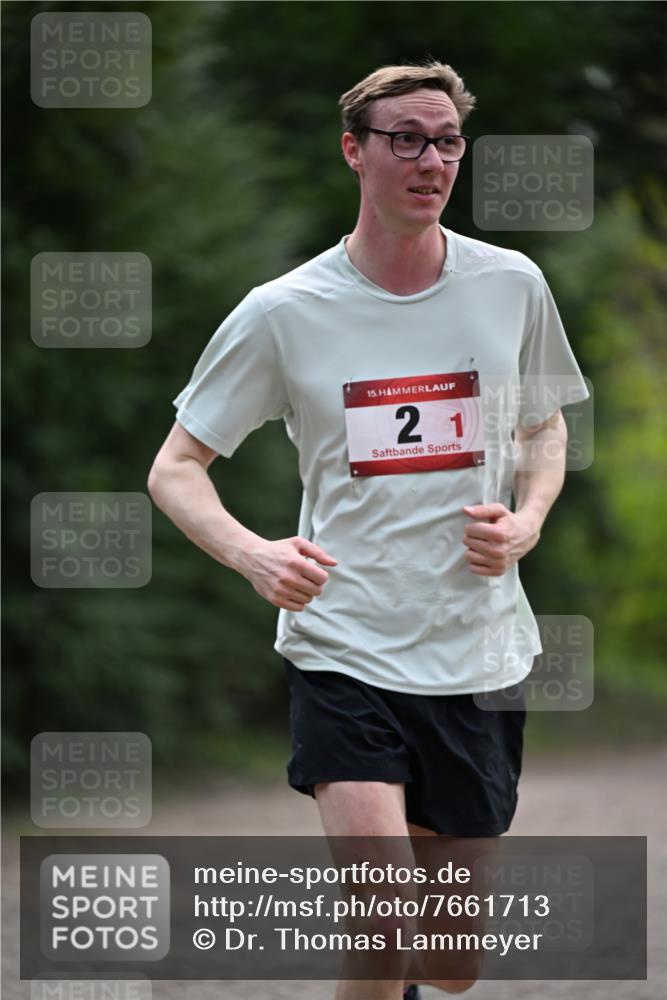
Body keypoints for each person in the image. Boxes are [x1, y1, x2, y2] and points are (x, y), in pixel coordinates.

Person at [148, 60, 589, 999]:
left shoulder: (510, 284)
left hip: (475, 652)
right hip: (342, 645)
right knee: (383, 931)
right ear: (354, 151)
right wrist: (252, 553)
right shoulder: (284, 312)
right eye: (405, 139)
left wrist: (527, 520)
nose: (430, 160)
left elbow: (544, 423)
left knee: (449, 962)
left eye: (446, 141)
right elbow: (175, 467)